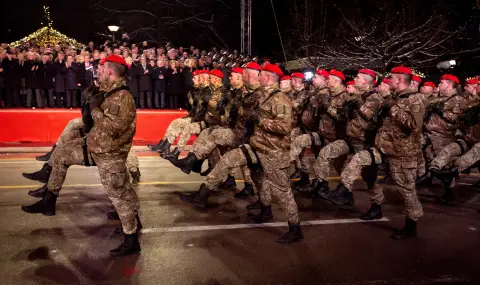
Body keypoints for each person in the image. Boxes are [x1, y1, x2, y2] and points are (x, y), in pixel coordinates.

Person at [21, 55, 141, 256]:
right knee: (62, 153)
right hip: (96, 146)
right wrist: (90, 101)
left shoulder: (123, 97)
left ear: (110, 71)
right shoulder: (109, 92)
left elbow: (113, 128)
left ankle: (132, 239)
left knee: (120, 196)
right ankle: (49, 201)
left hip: (110, 155)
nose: (98, 73)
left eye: (101, 71)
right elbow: (91, 120)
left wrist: (95, 108)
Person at [179, 64, 303, 244]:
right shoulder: (263, 95)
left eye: (260, 75)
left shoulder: (280, 99)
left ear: (268, 77)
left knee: (282, 191)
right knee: (232, 162)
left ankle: (295, 228)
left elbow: (285, 127)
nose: (258, 77)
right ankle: (204, 194)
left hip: (273, 151)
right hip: (256, 146)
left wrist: (262, 120)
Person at [329, 66, 425, 240]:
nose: (389, 82)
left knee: (407, 190)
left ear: (400, 80)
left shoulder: (415, 99)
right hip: (383, 147)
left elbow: (414, 125)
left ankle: (412, 225)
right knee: (359, 159)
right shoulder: (394, 98)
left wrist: (393, 109)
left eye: (392, 78)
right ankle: (344, 190)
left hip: (403, 153)